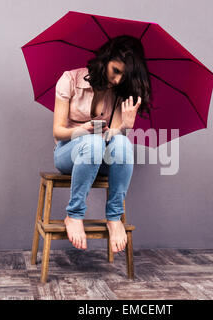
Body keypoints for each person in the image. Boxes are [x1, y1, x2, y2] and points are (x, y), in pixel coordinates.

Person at [53, 35, 152, 253]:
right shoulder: (69, 79)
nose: (117, 80)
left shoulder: (118, 93)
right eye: (116, 71)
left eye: (123, 76)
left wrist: (124, 125)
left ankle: (114, 217)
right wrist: (83, 130)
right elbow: (58, 131)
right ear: (106, 60)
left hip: (100, 153)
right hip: (67, 152)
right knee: (92, 143)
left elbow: (113, 140)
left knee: (123, 144)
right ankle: (74, 214)